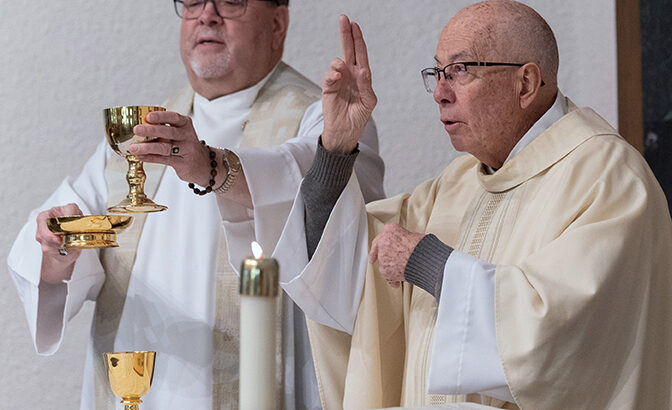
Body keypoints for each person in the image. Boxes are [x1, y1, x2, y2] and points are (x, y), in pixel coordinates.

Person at [272, 2, 672, 409]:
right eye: (438, 74)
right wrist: (337, 147)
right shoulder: (456, 182)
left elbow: (564, 333)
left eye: (461, 71)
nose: (441, 94)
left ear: (526, 83)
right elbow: (344, 270)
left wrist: (426, 261)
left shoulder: (608, 178)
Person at [7, 1, 384, 409]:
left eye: (231, 1)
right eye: (192, 2)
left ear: (278, 22)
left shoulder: (329, 119)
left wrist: (212, 167)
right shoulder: (138, 133)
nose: (207, 14)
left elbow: (314, 186)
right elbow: (55, 234)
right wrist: (58, 248)